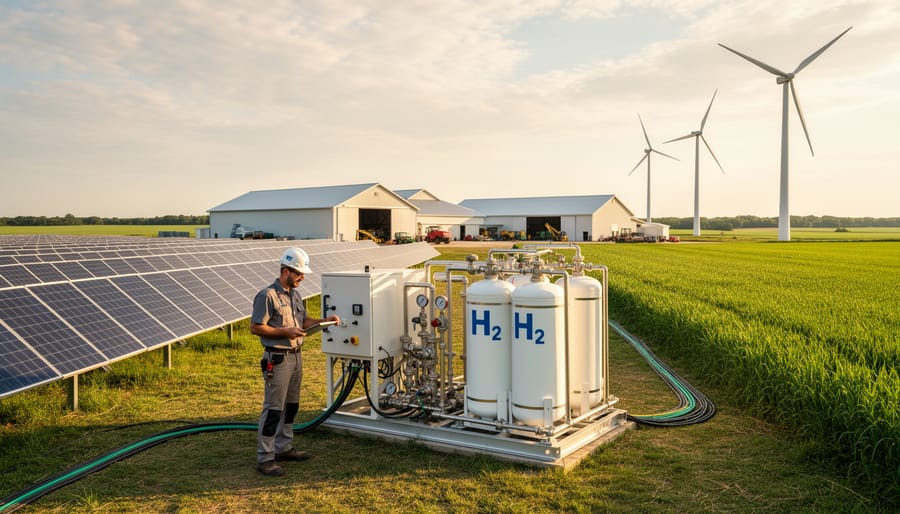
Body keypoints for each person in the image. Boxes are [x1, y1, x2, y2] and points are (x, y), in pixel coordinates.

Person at [250, 247, 340, 477]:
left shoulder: (295, 294)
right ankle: (265, 458)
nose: (302, 277)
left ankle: (284, 447)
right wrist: (284, 332)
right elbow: (256, 326)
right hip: (277, 359)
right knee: (273, 409)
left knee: (291, 406)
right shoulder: (267, 295)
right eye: (299, 273)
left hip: (296, 357)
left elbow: (304, 320)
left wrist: (325, 321)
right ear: (285, 271)